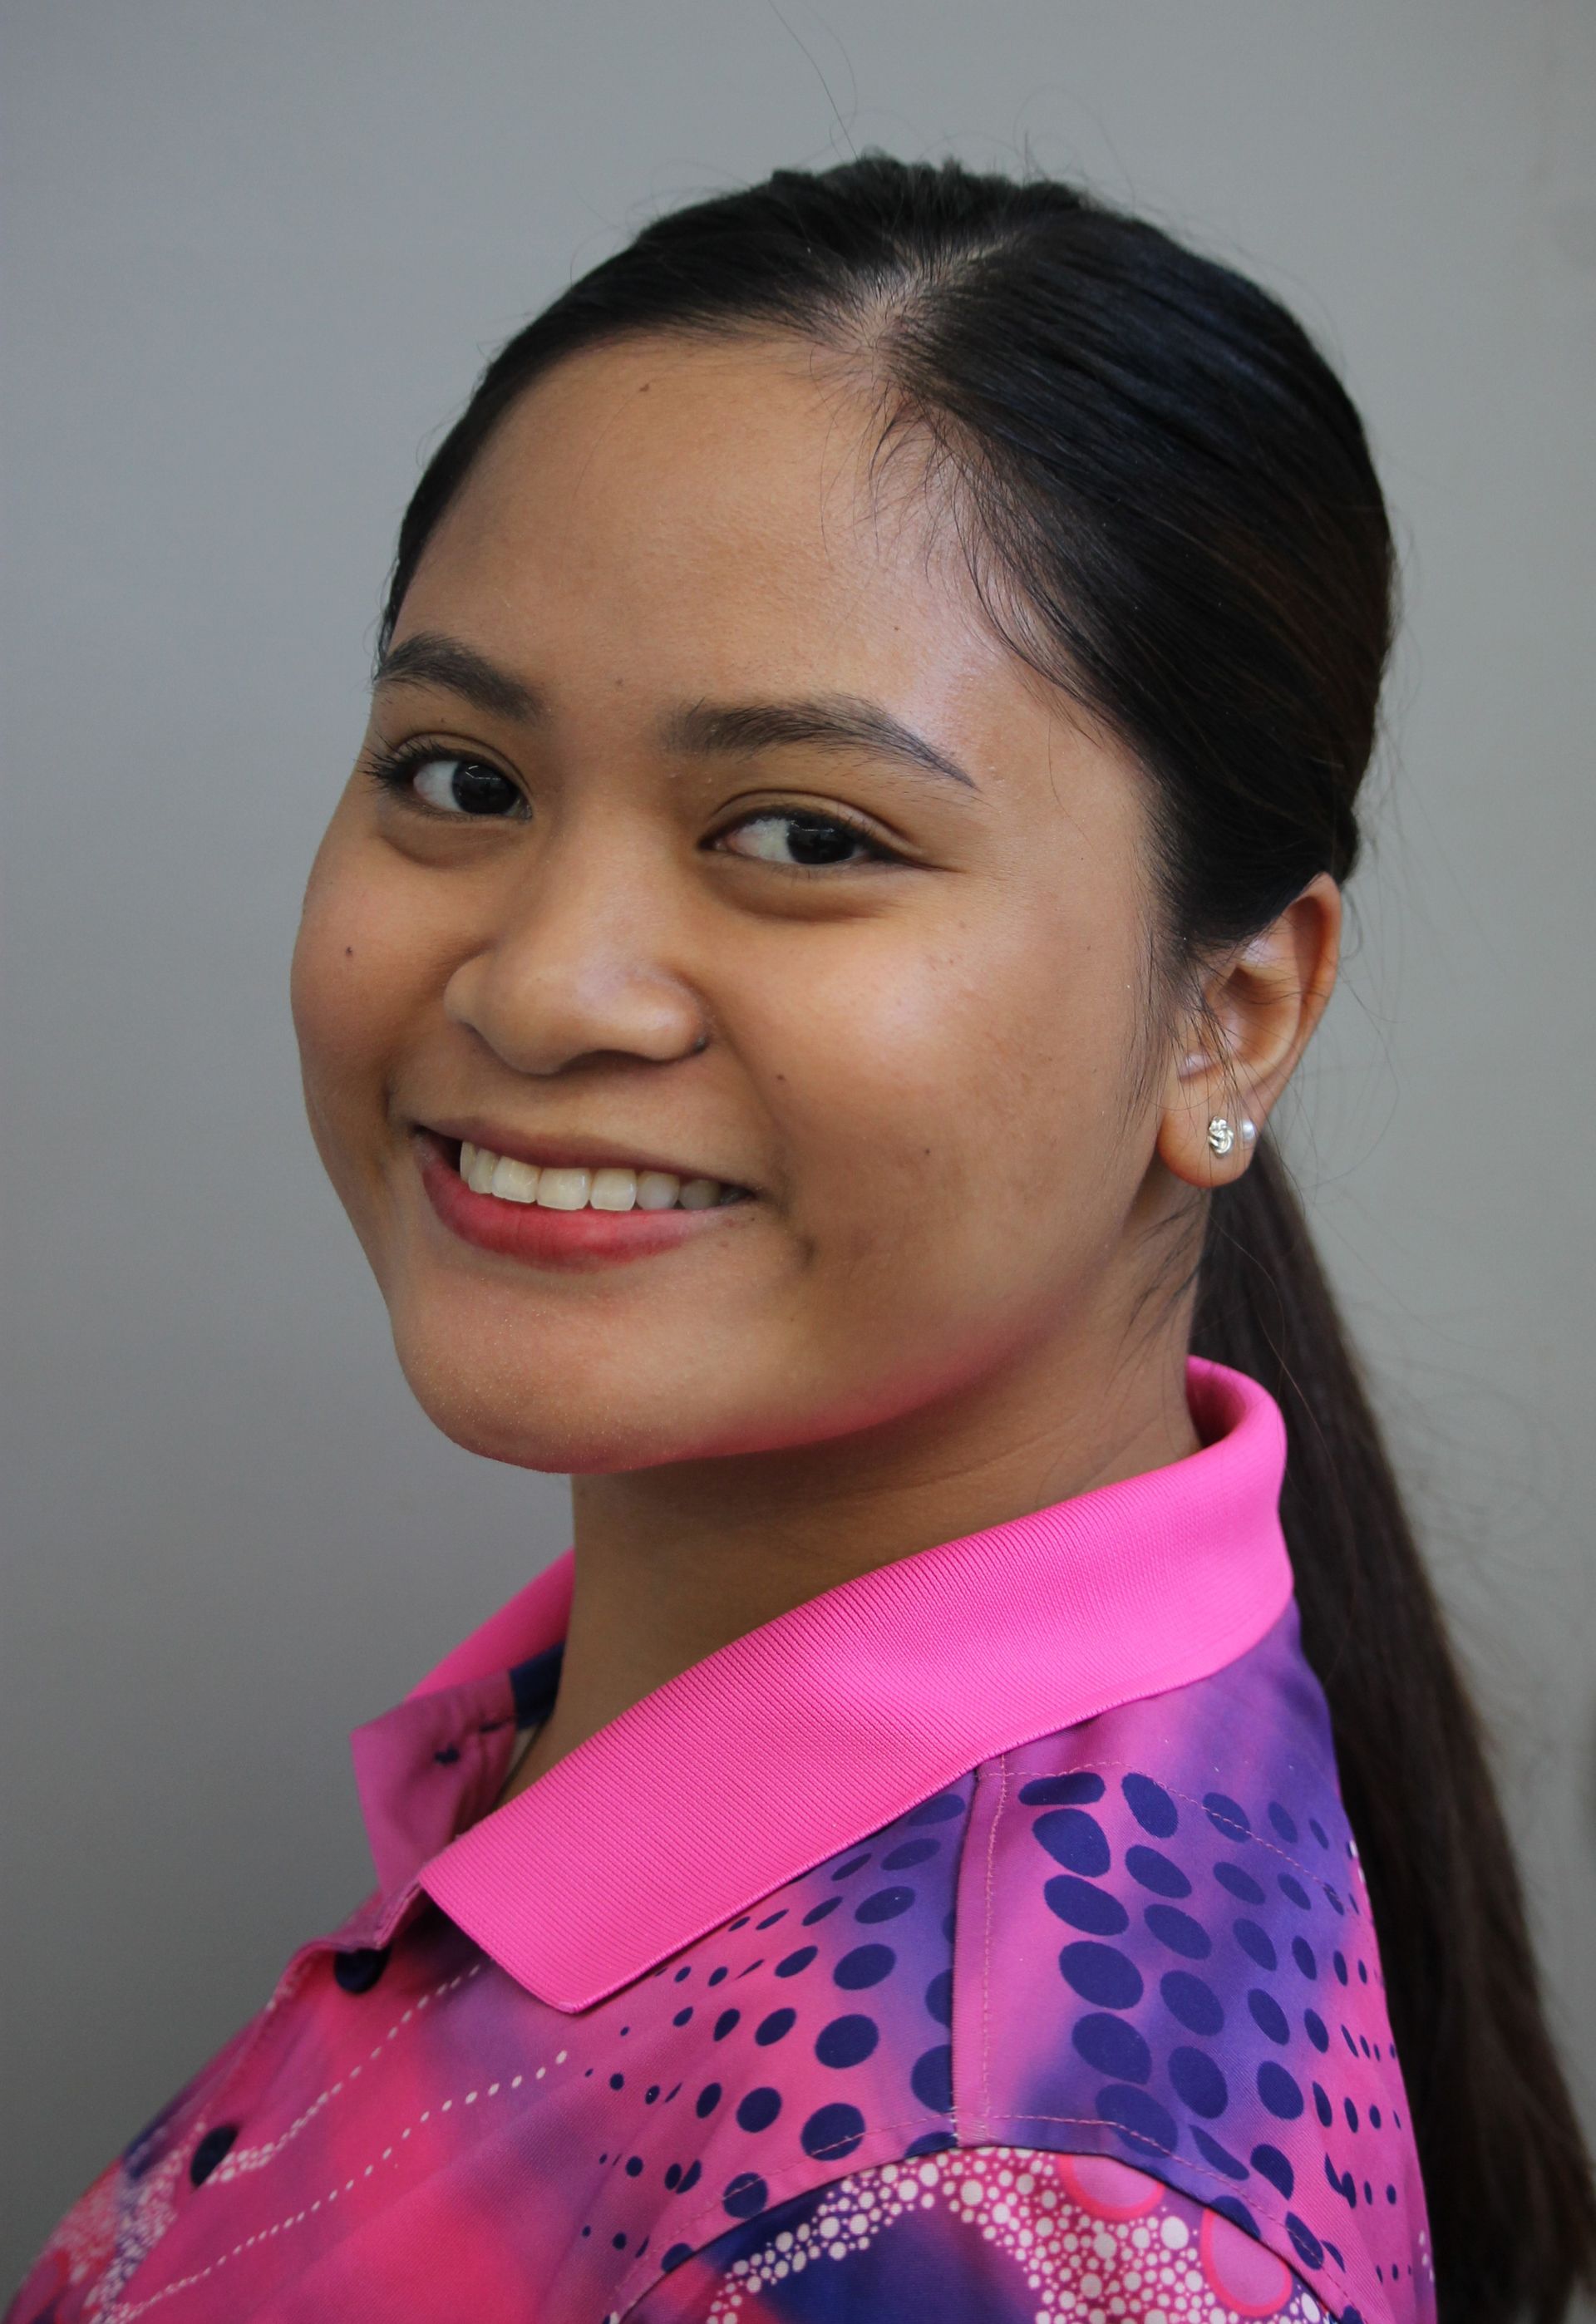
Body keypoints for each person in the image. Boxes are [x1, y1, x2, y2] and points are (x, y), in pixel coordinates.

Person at [10, 153, 1594, 2324]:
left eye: (803, 834)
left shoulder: (988, 2222)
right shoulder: (679, 1760)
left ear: (1233, 1011)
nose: (544, 983)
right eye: (462, 777)